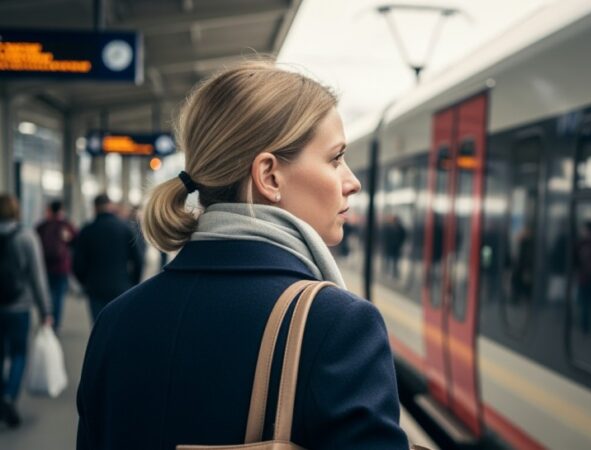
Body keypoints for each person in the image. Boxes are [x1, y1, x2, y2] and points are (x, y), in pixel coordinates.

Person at [76, 60, 409, 450]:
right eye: (335, 159)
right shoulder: (338, 326)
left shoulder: (116, 321)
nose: (351, 182)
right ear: (269, 176)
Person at [0, 194, 53, 428]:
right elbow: (37, 277)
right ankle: (9, 396)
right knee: (19, 353)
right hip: (19, 306)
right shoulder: (26, 236)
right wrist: (45, 310)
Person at [72, 194, 143, 322]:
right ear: (110, 206)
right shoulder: (125, 228)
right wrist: (133, 282)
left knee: (99, 326)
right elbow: (138, 260)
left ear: (95, 207)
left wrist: (85, 282)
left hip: (95, 288)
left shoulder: (87, 230)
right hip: (122, 287)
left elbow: (77, 263)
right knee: (118, 326)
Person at [35, 199, 77, 331]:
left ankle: (46, 319)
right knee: (58, 297)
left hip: (44, 266)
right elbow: (75, 240)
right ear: (61, 210)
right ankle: (55, 324)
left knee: (46, 294)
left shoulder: (42, 226)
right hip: (61, 267)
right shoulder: (66, 225)